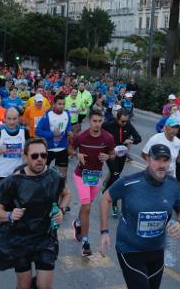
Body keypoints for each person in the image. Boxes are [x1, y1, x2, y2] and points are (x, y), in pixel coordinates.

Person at [99, 144, 180, 289]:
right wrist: (104, 232)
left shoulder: (173, 185)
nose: (162, 165)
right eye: (157, 160)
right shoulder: (129, 182)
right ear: (148, 159)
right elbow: (105, 198)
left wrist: (179, 223)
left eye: (165, 160)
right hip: (130, 249)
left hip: (157, 250)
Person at [0, 137, 71, 289]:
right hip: (20, 239)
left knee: (44, 286)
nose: (40, 159)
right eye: (35, 156)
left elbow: (67, 194)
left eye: (44, 155)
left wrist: (61, 210)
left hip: (46, 238)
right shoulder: (14, 180)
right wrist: (9, 215)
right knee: (24, 284)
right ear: (25, 156)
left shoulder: (55, 177)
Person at [69, 109, 115, 257]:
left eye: (100, 121)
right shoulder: (81, 136)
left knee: (85, 206)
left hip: (95, 176)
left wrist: (108, 156)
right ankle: (86, 242)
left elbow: (113, 155)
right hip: (81, 175)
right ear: (90, 121)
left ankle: (77, 223)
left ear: (103, 121)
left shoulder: (108, 138)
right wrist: (77, 154)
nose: (97, 124)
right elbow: (70, 149)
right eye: (94, 121)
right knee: (87, 206)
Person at [102, 111, 142, 217]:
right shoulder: (109, 124)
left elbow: (138, 138)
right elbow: (98, 132)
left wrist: (131, 140)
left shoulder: (128, 125)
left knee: (115, 174)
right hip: (111, 154)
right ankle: (114, 205)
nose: (125, 123)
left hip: (122, 154)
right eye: (122, 121)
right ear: (117, 118)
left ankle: (105, 191)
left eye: (126, 121)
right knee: (116, 176)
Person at [0, 108, 29, 187]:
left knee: (17, 199)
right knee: (0, 199)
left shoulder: (24, 132)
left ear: (18, 119)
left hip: (17, 175)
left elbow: (31, 151)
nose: (12, 122)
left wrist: (25, 151)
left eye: (14, 119)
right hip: (0, 174)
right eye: (9, 119)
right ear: (4, 119)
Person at [37, 94, 73, 178]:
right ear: (54, 104)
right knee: (43, 174)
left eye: (63, 104)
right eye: (59, 104)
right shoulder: (47, 116)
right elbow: (38, 131)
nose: (62, 106)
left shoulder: (67, 114)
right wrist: (51, 134)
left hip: (62, 148)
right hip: (49, 149)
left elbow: (68, 125)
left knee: (63, 177)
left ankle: (60, 190)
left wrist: (69, 131)